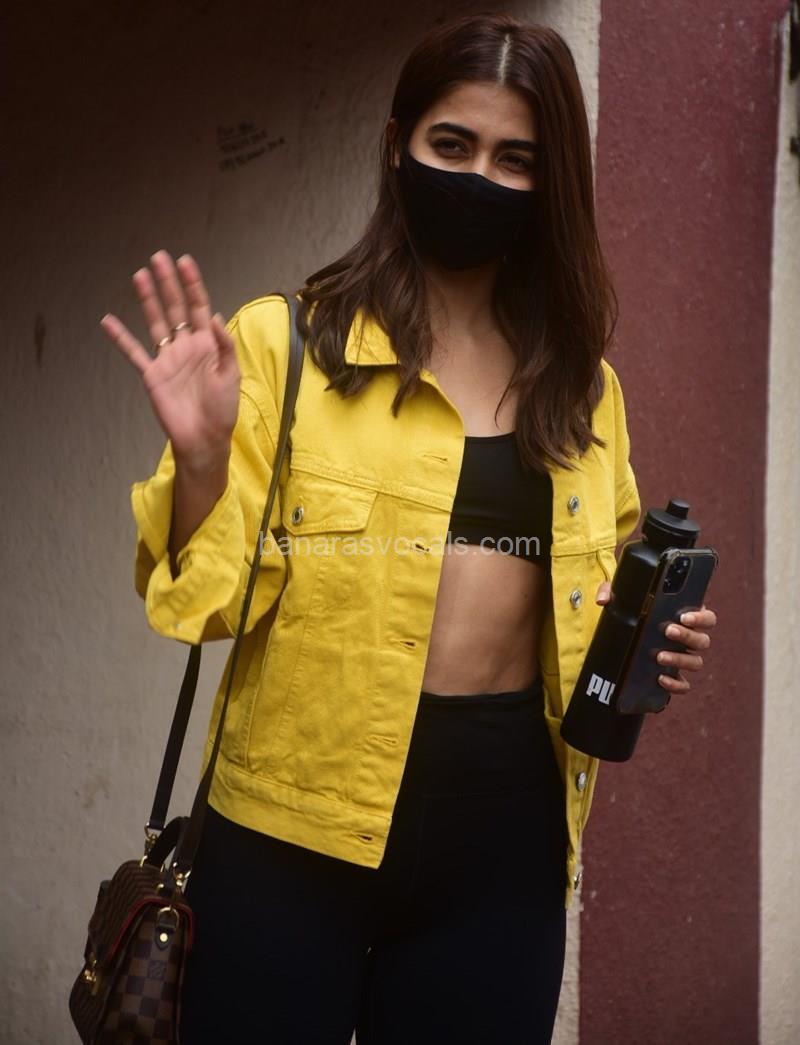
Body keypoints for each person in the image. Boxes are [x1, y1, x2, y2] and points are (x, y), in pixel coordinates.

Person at [101, 13, 717, 1044]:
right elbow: (204, 608)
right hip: (289, 836)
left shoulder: (582, 388)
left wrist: (651, 636)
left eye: (515, 159)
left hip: (506, 848)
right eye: (452, 144)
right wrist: (203, 461)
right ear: (398, 145)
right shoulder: (286, 344)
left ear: (550, 181)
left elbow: (602, 584)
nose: (479, 177)